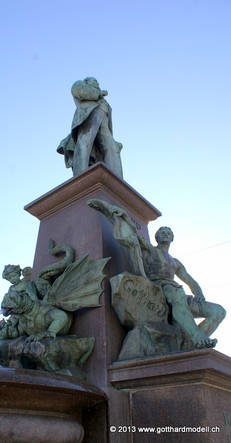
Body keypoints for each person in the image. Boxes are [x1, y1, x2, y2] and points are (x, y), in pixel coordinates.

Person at [88, 199, 226, 349]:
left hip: (178, 294)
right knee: (175, 293)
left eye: (168, 232)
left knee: (218, 312)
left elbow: (190, 281)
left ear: (172, 238)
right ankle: (198, 337)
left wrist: (199, 294)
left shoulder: (176, 262)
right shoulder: (150, 249)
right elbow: (131, 233)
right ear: (157, 238)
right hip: (159, 288)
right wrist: (114, 211)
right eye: (162, 232)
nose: (165, 234)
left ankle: (189, 344)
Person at [57, 77, 123, 178]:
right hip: (88, 115)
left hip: (103, 121)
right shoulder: (80, 84)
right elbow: (80, 92)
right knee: (84, 144)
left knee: (112, 148)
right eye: (94, 81)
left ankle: (117, 181)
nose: (97, 83)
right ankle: (79, 178)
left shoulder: (104, 102)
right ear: (87, 81)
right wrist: (99, 93)